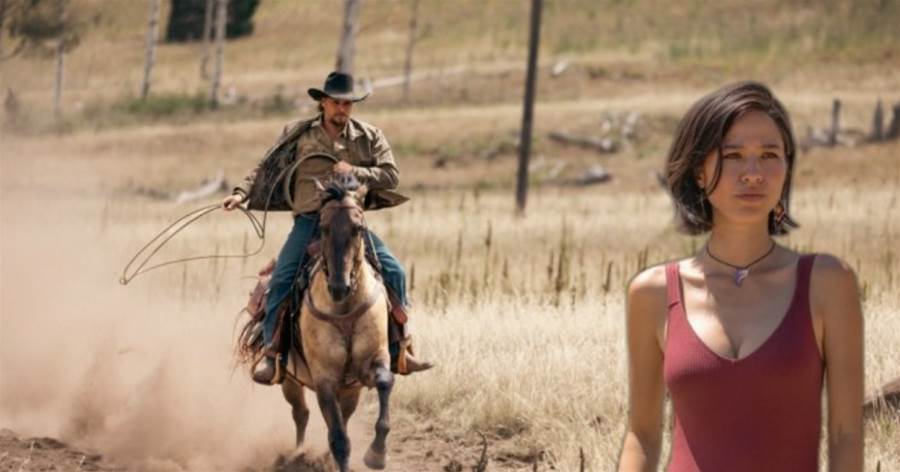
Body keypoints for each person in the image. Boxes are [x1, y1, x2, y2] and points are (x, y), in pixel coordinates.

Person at [617, 82, 863, 471]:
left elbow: (846, 434)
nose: (753, 173)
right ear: (699, 172)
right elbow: (643, 434)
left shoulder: (828, 283)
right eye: (733, 156)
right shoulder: (653, 293)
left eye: (769, 155)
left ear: (786, 168)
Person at [223, 71, 433, 385]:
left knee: (396, 272)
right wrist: (241, 194)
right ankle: (272, 354)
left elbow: (391, 175)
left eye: (348, 104)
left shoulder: (369, 136)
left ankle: (400, 349)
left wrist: (356, 171)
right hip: (310, 221)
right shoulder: (298, 135)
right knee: (281, 280)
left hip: (349, 223)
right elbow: (266, 168)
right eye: (336, 103)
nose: (342, 109)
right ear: (323, 102)